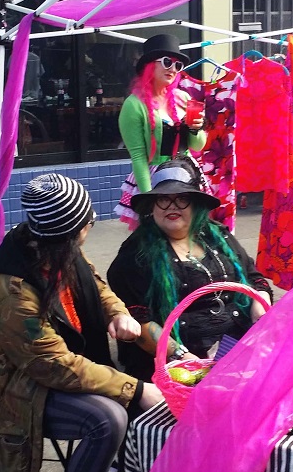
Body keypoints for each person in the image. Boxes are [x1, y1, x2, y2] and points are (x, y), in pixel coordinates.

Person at [0, 173, 163, 472]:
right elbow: (54, 366)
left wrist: (119, 314)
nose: (90, 229)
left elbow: (97, 287)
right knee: (108, 416)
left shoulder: (58, 251)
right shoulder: (13, 289)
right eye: (89, 223)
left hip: (59, 376)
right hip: (21, 392)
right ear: (76, 230)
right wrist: (134, 389)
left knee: (131, 404)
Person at [108, 158, 273, 381]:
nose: (172, 207)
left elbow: (255, 279)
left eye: (182, 199)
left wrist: (259, 303)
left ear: (196, 205)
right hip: (180, 362)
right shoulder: (136, 254)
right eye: (163, 200)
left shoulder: (216, 235)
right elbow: (137, 317)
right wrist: (184, 358)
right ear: (152, 206)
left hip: (238, 345)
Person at [116, 33, 207, 229]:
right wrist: (149, 200)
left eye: (178, 65)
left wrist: (196, 128)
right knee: (158, 235)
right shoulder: (134, 105)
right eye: (167, 62)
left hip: (186, 174)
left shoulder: (183, 98)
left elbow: (198, 145)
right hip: (155, 178)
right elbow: (139, 157)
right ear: (150, 65)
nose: (173, 69)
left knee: (189, 233)